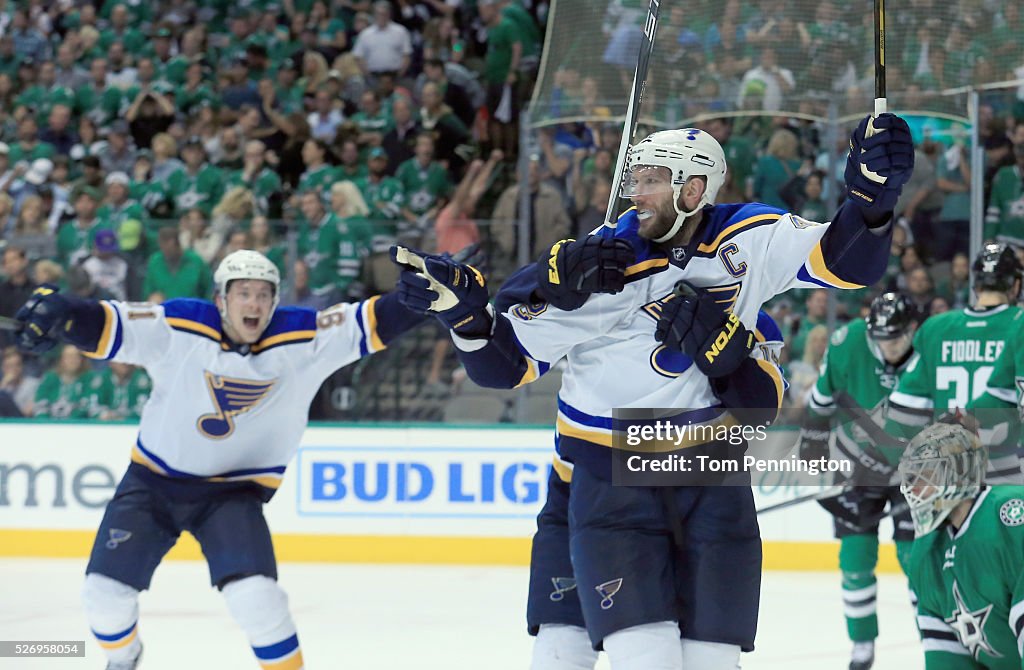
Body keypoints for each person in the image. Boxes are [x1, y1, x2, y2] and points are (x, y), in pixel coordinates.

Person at [391, 115, 914, 668]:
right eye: (633, 177)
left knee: (713, 661)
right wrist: (476, 317)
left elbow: (844, 263)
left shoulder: (748, 239)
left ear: (693, 190)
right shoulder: (596, 267)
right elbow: (507, 365)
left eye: (651, 179)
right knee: (611, 655)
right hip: (607, 476)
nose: (634, 191)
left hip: (709, 479)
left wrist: (873, 201)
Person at [12, 250, 426, 669]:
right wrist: (65, 314)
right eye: (243, 293)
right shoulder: (180, 324)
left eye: (264, 295)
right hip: (152, 484)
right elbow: (110, 324)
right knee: (102, 596)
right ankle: (124, 659)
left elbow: (371, 322)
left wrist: (420, 296)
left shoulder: (303, 338)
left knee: (258, 600)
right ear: (221, 299)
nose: (254, 304)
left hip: (232, 494)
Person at [800, 292, 920, 670]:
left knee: (916, 559)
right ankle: (862, 644)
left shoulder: (929, 348)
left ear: (912, 329)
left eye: (897, 339)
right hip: (855, 465)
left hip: (913, 470)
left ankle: (937, 635)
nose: (890, 347)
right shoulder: (847, 343)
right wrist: (814, 459)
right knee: (855, 558)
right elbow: (819, 407)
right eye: (883, 339)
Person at [887, 243, 1024, 483]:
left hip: (951, 475)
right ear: (1016, 284)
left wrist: (887, 460)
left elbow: (904, 410)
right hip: (1008, 474)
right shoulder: (1018, 324)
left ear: (976, 284)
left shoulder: (935, 328)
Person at [898, 419, 1024, 667]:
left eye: (925, 475)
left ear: (960, 473)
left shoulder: (1011, 516)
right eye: (911, 479)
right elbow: (946, 660)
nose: (914, 489)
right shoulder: (924, 555)